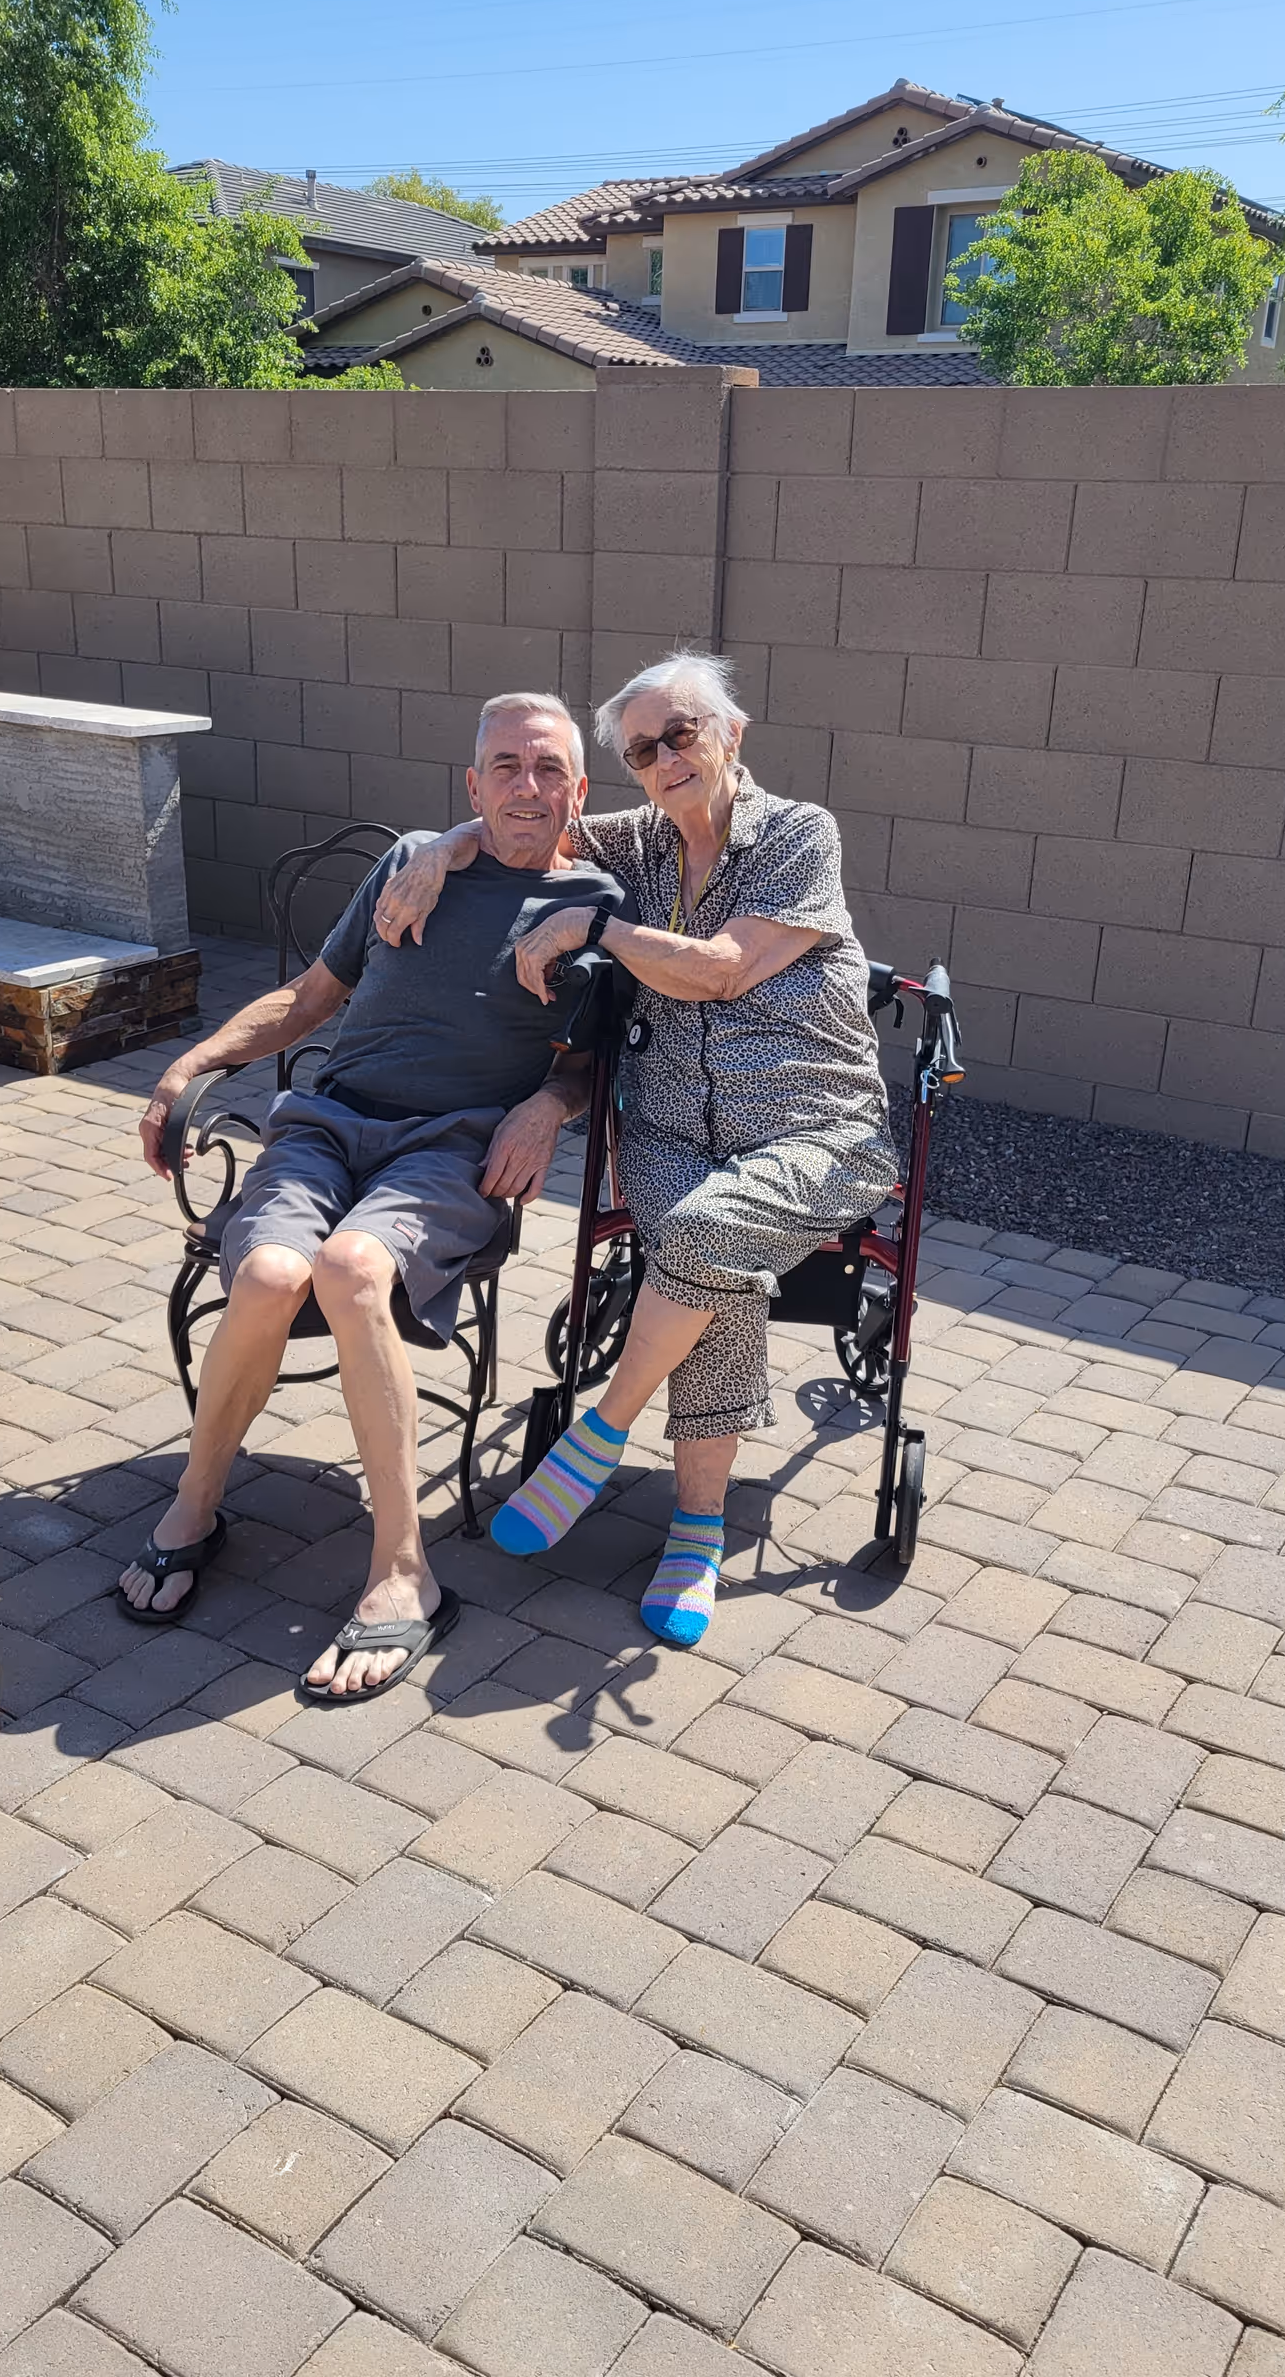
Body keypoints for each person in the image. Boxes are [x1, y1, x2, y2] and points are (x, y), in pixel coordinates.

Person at [373, 649, 897, 1650]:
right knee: (711, 1260)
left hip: (818, 1129)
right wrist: (437, 850)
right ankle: (693, 1532)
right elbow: (521, 821)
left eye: (682, 734)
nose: (664, 758)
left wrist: (595, 922)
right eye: (644, 748)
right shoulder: (637, 846)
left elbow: (724, 970)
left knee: (702, 1236)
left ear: (730, 736)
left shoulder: (796, 835)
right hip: (664, 1128)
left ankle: (603, 1436)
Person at [121, 693, 621, 1700]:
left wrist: (548, 1105)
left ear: (580, 789)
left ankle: (403, 1571)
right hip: (327, 1124)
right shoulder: (408, 867)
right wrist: (191, 1065)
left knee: (352, 1266)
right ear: (472, 784)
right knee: (267, 1274)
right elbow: (311, 998)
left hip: (453, 1150)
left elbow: (605, 1058)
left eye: (550, 768)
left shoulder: (603, 907)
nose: (529, 786)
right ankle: (196, 1503)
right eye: (506, 768)